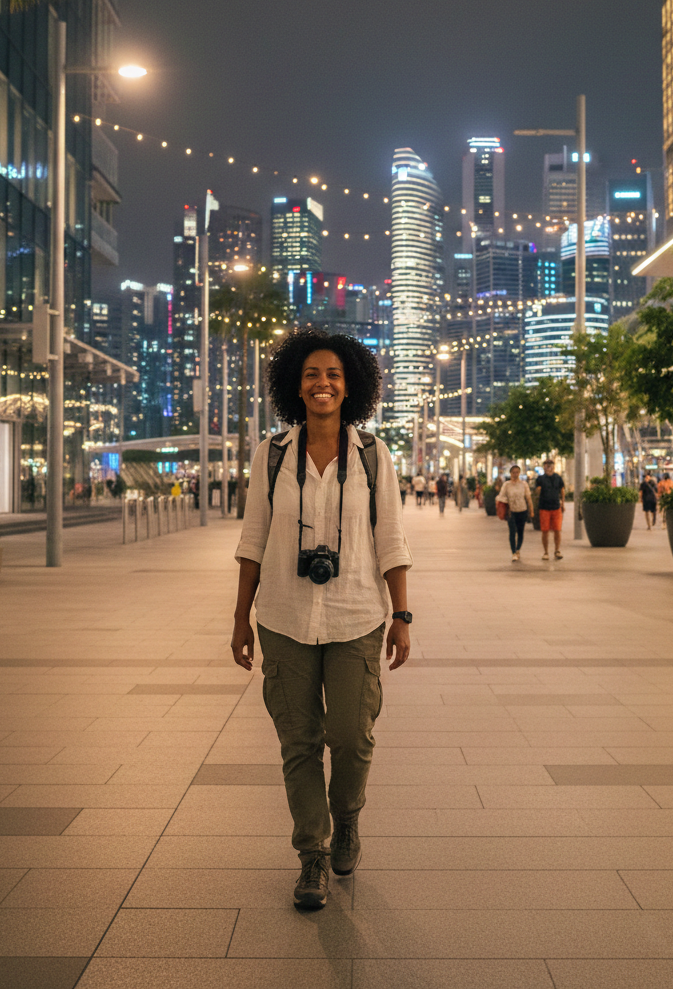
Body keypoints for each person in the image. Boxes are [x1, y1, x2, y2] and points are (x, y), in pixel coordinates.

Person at [231, 329, 413, 912]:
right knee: (299, 742)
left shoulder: (373, 455)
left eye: (333, 374)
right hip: (283, 617)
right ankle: (311, 852)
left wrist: (402, 615)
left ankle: (348, 819)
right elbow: (253, 540)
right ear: (295, 384)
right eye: (312, 374)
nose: (323, 383)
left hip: (357, 615)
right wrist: (241, 619)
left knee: (352, 738)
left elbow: (391, 539)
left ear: (350, 384)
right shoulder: (272, 453)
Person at [497, 465, 533, 561]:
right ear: (510, 473)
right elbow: (501, 497)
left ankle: (518, 550)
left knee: (520, 532)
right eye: (513, 472)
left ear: (519, 473)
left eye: (517, 472)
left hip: (522, 510)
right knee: (512, 531)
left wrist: (531, 510)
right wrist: (506, 503)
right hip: (511, 511)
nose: (515, 474)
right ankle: (513, 552)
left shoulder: (524, 484)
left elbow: (528, 498)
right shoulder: (507, 485)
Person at [535, 460, 565, 560]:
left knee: (557, 529)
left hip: (556, 507)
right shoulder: (540, 478)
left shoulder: (558, 478)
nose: (549, 468)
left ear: (554, 467)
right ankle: (546, 552)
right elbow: (537, 490)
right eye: (547, 466)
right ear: (544, 468)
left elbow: (562, 490)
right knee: (545, 530)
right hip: (544, 507)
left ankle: (557, 550)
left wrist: (563, 503)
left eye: (550, 466)